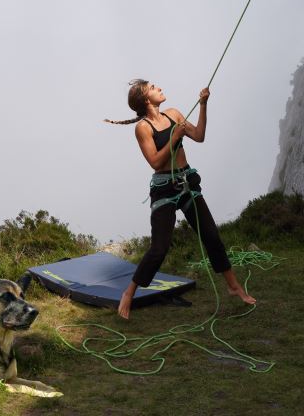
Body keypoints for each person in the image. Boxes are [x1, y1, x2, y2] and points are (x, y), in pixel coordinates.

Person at [105, 79, 256, 319]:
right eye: (153, 88)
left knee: (211, 237)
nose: (159, 88)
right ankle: (129, 293)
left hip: (186, 183)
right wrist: (174, 138)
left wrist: (204, 105)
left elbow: (199, 135)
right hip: (164, 189)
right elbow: (155, 161)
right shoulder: (143, 128)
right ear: (146, 99)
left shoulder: (174, 114)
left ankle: (233, 286)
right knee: (159, 248)